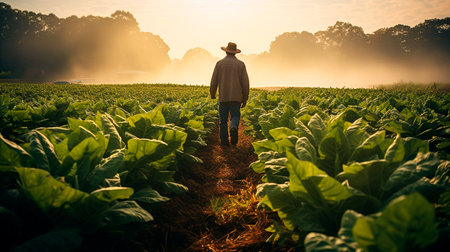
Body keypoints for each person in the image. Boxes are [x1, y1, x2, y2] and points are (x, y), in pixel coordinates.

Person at [210, 42, 250, 147]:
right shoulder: (241, 64)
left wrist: (212, 93)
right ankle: (233, 127)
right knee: (235, 115)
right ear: (235, 53)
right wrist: (245, 98)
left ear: (226, 51)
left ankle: (224, 142)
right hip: (236, 97)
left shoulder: (219, 64)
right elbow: (245, 83)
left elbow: (214, 80)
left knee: (223, 120)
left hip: (223, 96)